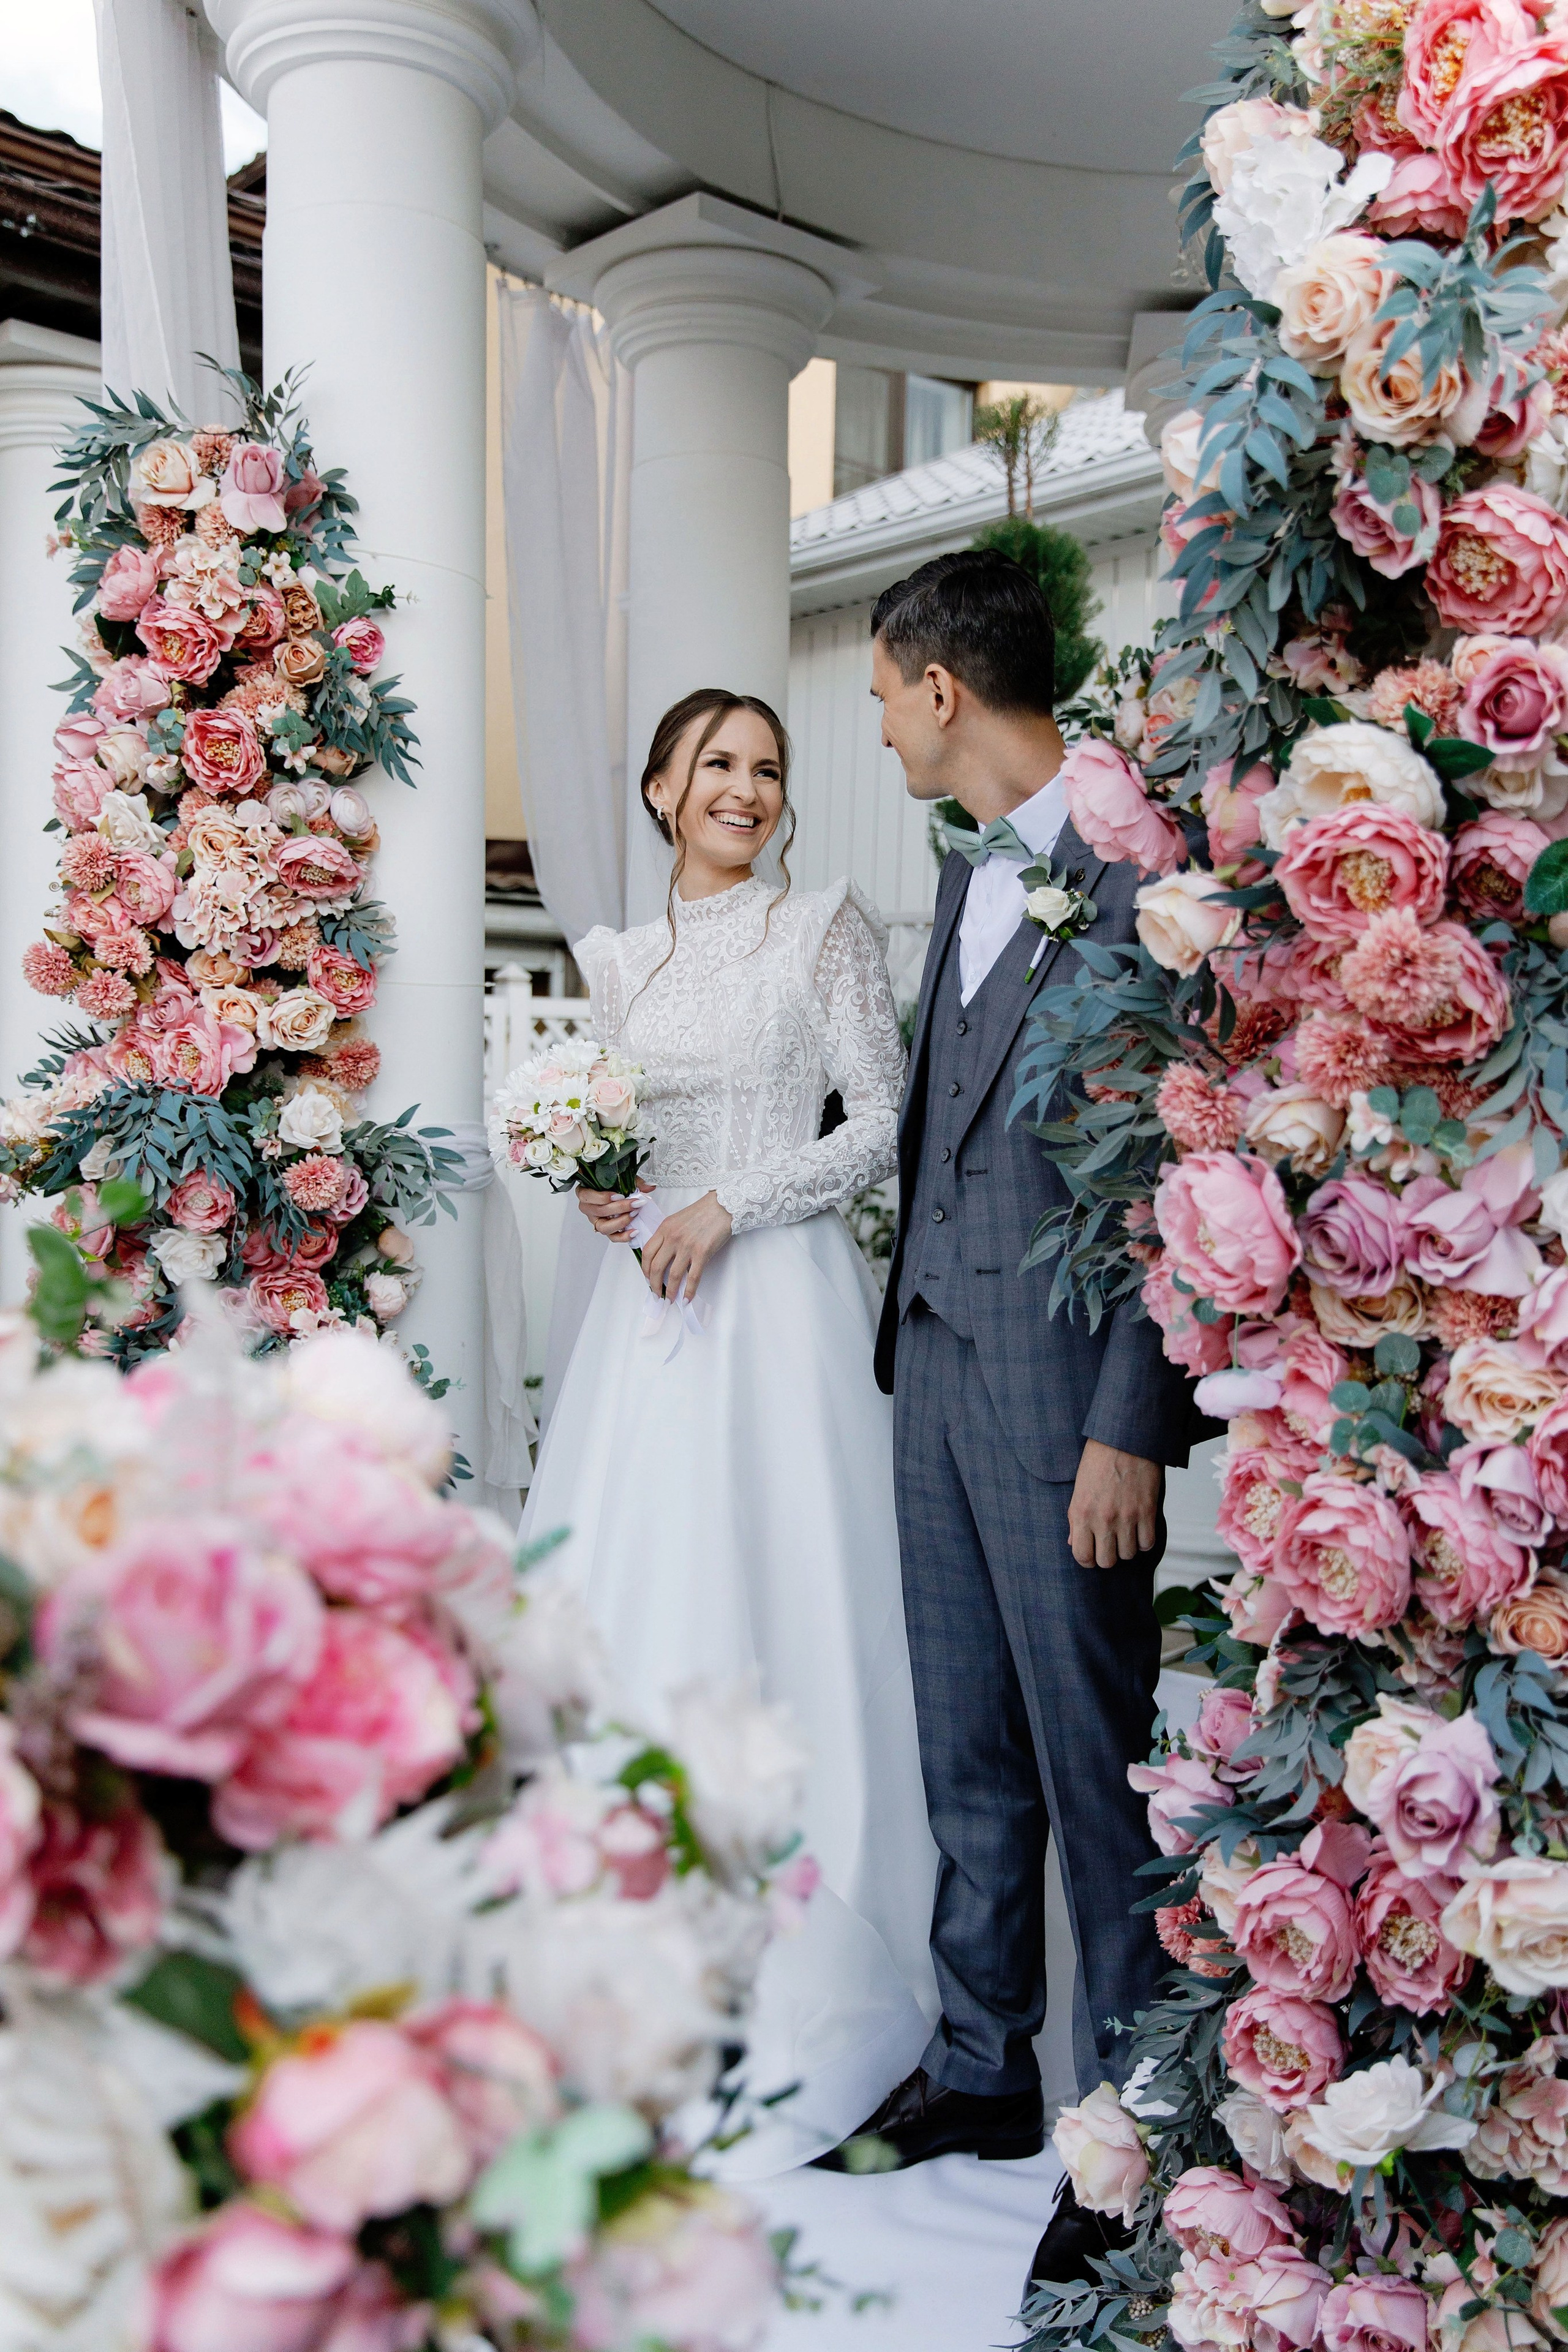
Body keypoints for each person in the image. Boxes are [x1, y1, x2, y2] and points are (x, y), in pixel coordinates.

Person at [812, 552, 1196, 2291]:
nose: (881, 728)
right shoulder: (965, 870)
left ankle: (1129, 2131)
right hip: (937, 1373)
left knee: (1094, 1772)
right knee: (963, 1752)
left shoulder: (1138, 876)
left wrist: (1132, 1424)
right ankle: (981, 2072)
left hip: (1066, 1408)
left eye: (883, 697)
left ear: (940, 689)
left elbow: (1182, 1170)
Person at [519, 686, 939, 2173]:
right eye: (716, 765)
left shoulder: (818, 926)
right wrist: (605, 1188)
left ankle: (820, 1957)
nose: (744, 790)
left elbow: (878, 1122)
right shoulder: (616, 960)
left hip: (778, 1311)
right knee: (640, 1608)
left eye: (765, 768)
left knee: (792, 1600)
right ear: (659, 788)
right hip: (648, 1329)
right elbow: (616, 1130)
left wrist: (729, 1202)